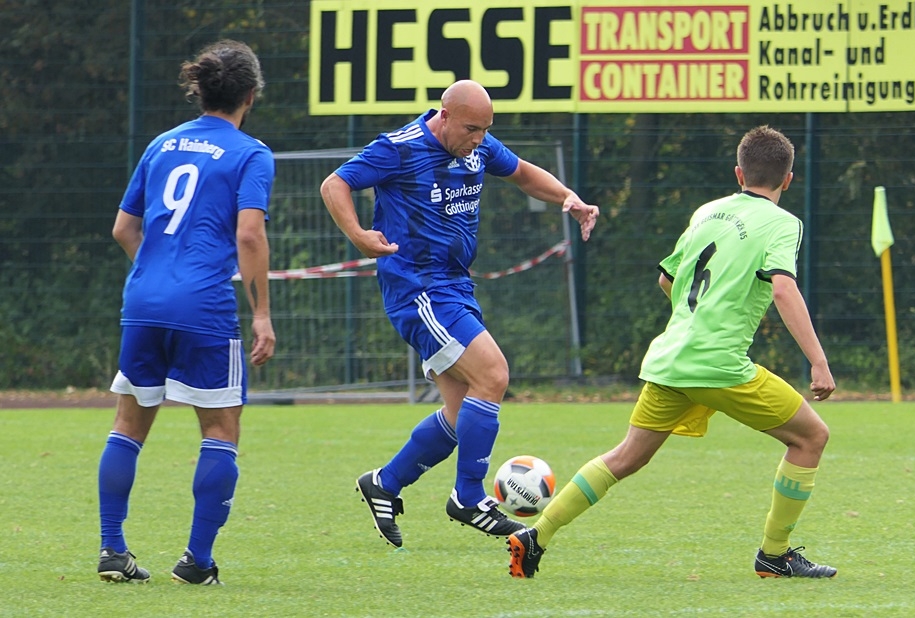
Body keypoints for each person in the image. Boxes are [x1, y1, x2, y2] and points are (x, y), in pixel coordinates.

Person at [507, 125, 837, 579]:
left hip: (671, 358)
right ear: (789, 179)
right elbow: (783, 289)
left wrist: (697, 321)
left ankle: (536, 534)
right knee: (811, 437)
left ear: (739, 173)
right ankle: (774, 555)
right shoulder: (783, 223)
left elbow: (668, 279)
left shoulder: (707, 212)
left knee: (626, 457)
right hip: (719, 363)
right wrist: (818, 362)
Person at [320, 80, 599, 548]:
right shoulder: (400, 148)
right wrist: (358, 234)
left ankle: (385, 483)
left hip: (454, 286)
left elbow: (523, 173)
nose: (479, 139)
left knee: (459, 411)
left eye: (485, 130)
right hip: (419, 289)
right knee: (493, 375)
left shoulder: (478, 145)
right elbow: (335, 184)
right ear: (444, 116)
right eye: (471, 129)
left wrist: (567, 197)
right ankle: (468, 497)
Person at [96, 40, 276, 585]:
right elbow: (250, 234)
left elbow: (123, 229)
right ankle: (197, 562)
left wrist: (159, 273)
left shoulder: (162, 144)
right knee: (220, 428)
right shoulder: (251, 153)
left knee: (128, 423)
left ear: (201, 90)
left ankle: (112, 549)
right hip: (203, 306)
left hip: (142, 301)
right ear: (250, 95)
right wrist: (262, 314)